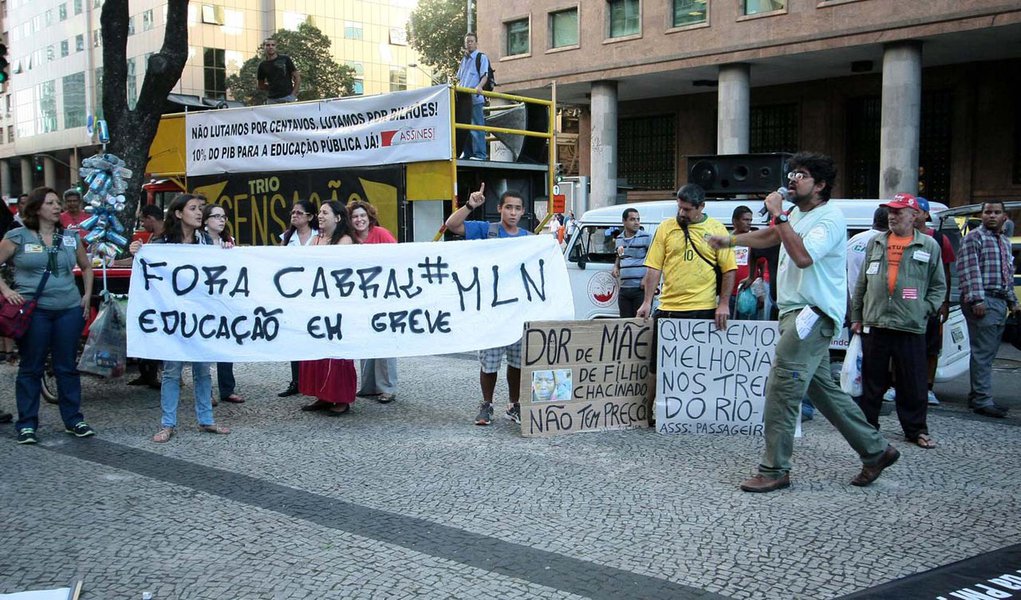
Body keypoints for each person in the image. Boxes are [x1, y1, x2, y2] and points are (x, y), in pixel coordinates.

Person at [708, 152, 899, 492]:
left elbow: (802, 256)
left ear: (821, 185)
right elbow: (772, 237)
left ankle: (774, 468)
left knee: (781, 388)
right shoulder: (797, 213)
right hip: (798, 313)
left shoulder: (828, 219)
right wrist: (731, 240)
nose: (793, 179)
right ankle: (875, 450)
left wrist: (779, 214)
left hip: (811, 314)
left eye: (802, 174)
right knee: (822, 389)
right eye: (792, 173)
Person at [129, 194, 230, 443]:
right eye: (193, 208)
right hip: (173, 318)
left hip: (200, 317)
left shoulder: (206, 242)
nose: (199, 213)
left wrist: (226, 253)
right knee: (172, 370)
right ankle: (167, 423)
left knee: (203, 370)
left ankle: (206, 420)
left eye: (201, 209)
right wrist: (138, 252)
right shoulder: (162, 243)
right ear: (178, 213)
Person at [0, 187, 95, 444]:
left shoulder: (69, 237)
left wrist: (86, 295)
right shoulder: (17, 236)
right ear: (36, 208)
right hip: (35, 311)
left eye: (58, 203)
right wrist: (6, 289)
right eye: (51, 203)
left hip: (68, 309)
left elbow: (86, 267)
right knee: (31, 366)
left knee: (66, 367)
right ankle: (27, 424)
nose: (57, 207)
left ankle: (74, 419)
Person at [851, 193, 946, 450]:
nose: (892, 216)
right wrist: (857, 316)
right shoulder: (876, 243)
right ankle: (868, 427)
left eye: (898, 211)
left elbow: (938, 287)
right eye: (890, 211)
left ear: (914, 215)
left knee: (913, 382)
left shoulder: (928, 245)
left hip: (910, 325)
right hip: (876, 322)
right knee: (872, 380)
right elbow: (862, 283)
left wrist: (924, 309)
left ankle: (916, 430)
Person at [637, 183, 737, 424]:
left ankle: (697, 413)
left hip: (702, 310)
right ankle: (648, 412)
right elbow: (654, 267)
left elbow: (729, 269)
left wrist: (723, 304)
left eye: (687, 209)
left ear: (701, 207)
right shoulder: (666, 228)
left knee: (699, 366)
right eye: (679, 208)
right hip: (668, 309)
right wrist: (647, 302)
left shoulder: (716, 229)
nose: (681, 213)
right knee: (656, 364)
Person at [444, 184, 532, 425]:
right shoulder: (486, 230)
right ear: (499, 209)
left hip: (517, 312)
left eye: (517, 208)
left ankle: (514, 404)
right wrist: (470, 205)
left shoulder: (530, 240)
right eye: (508, 208)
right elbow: (452, 225)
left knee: (517, 362)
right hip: (491, 312)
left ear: (523, 211)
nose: (512, 213)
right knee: (489, 362)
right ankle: (487, 404)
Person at [956, 201, 1017, 419]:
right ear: (981, 215)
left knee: (988, 352)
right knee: (983, 352)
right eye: (987, 212)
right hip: (984, 301)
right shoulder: (974, 237)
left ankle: (978, 396)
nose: (991, 215)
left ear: (1005, 217)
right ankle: (983, 400)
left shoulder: (1003, 241)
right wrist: (976, 300)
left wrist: (1012, 301)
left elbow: (1007, 273)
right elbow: (969, 270)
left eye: (996, 212)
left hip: (998, 301)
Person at [298, 200, 358, 416]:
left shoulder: (345, 241)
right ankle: (322, 395)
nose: (320, 216)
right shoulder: (315, 240)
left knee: (337, 354)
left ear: (338, 218)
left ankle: (341, 398)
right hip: (317, 303)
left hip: (337, 305)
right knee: (317, 351)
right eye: (320, 212)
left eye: (325, 212)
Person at [349, 200, 399, 403]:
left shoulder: (381, 233)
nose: (359, 220)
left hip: (382, 295)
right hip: (359, 298)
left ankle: (387, 387)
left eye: (362, 216)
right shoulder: (348, 239)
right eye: (354, 217)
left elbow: (399, 257)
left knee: (385, 341)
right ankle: (369, 386)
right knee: (365, 340)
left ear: (369, 217)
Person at [202, 204, 244, 405]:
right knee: (205, 346)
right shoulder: (197, 242)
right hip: (203, 300)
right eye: (216, 216)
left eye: (224, 217)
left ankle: (227, 389)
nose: (221, 220)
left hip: (224, 300)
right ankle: (206, 391)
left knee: (226, 344)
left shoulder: (229, 241)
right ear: (206, 220)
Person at [915, 197, 954, 406]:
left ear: (925, 214)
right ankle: (895, 385)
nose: (913, 215)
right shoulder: (897, 237)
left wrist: (944, 302)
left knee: (931, 347)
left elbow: (946, 273)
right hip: (906, 303)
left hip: (931, 303)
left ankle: (928, 387)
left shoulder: (939, 239)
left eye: (917, 211)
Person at [277, 199, 318, 398]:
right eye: (293, 212)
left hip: (316, 291)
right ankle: (296, 380)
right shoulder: (286, 237)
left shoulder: (320, 236)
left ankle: (313, 380)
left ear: (310, 217)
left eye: (299, 213)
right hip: (293, 293)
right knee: (294, 336)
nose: (294, 215)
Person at [455, 32, 490, 160]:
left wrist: (479, 86)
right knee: (465, 127)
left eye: (471, 41)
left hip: (474, 98)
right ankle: (468, 153)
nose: (468, 44)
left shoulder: (481, 57)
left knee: (477, 126)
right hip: (463, 99)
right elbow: (459, 78)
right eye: (467, 42)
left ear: (476, 43)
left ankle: (480, 154)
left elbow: (484, 75)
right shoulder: (464, 60)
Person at [611, 208, 651, 318]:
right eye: (632, 219)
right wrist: (616, 266)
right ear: (624, 221)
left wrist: (646, 279)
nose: (637, 222)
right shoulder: (619, 239)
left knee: (640, 323)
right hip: (624, 289)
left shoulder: (646, 237)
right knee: (625, 322)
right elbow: (619, 256)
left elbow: (654, 261)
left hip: (640, 289)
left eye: (638, 219)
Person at [257, 37, 300, 104]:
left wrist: (293, 94)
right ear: (264, 47)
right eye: (268, 45)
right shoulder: (262, 65)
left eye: (273, 45)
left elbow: (297, 77)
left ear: (276, 47)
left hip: (288, 97)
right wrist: (273, 87)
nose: (270, 47)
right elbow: (260, 85)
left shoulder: (285, 59)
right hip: (272, 99)